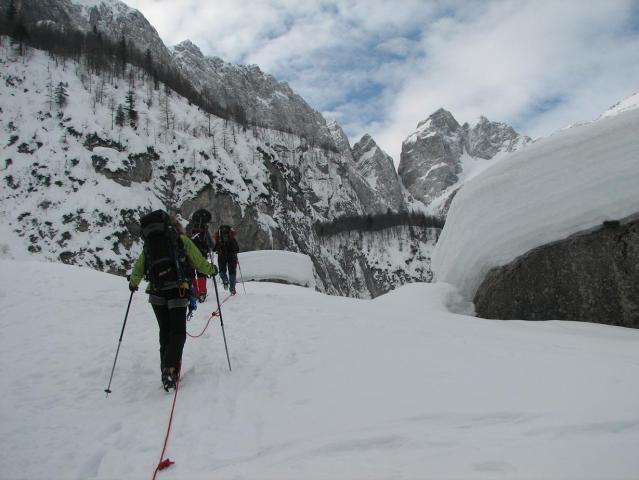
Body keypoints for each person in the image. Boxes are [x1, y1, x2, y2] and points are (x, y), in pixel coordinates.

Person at [128, 211, 217, 391]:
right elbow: (198, 262)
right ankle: (170, 370)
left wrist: (133, 283)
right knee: (178, 333)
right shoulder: (181, 240)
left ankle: (165, 370)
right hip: (178, 291)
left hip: (156, 293)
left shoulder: (150, 244)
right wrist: (212, 270)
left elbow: (139, 266)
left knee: (165, 332)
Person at [186, 209, 214, 302]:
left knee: (191, 274)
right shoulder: (204, 228)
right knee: (201, 272)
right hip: (201, 253)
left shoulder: (188, 227)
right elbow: (211, 244)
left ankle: (195, 292)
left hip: (189, 253)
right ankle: (202, 292)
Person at [213, 225, 239, 295]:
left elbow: (214, 248)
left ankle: (225, 280)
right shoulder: (232, 238)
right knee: (232, 272)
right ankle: (232, 289)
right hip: (232, 257)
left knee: (222, 270)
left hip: (221, 256)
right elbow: (237, 249)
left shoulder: (219, 239)